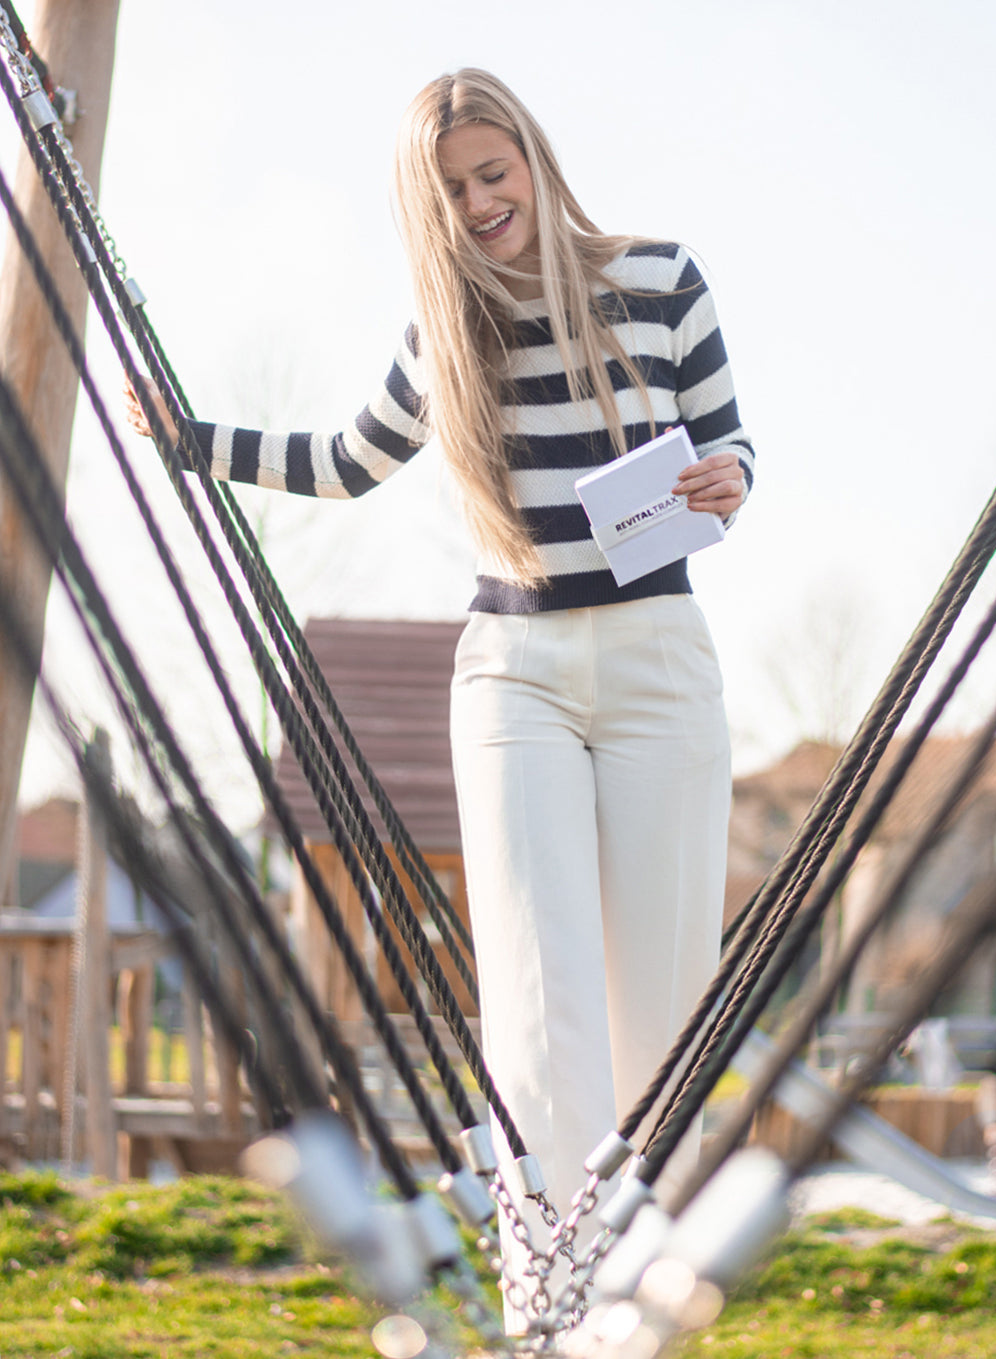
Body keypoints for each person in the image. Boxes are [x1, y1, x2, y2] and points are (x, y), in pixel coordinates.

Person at [125, 67, 754, 1332]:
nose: (479, 203)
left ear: (531, 158)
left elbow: (733, 442)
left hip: (657, 663)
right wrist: (199, 443)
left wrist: (727, 480)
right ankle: (548, 1297)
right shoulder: (443, 329)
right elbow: (351, 465)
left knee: (666, 1000)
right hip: (514, 670)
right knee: (536, 992)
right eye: (451, 188)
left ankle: (640, 1292)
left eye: (492, 172)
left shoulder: (661, 281)